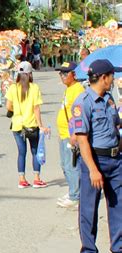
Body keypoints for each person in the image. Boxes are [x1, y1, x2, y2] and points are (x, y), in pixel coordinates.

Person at [71, 59, 121, 253]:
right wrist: (92, 169)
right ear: (103, 77)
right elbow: (81, 140)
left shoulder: (110, 99)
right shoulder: (83, 102)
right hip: (95, 161)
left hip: (116, 160)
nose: (114, 79)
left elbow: (116, 125)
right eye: (112, 75)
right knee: (89, 209)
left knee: (118, 208)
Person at [6, 61, 50, 188]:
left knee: (21, 153)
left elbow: (9, 106)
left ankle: (22, 180)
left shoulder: (13, 88)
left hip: (17, 125)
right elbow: (36, 108)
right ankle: (37, 179)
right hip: (31, 125)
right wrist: (40, 125)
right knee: (35, 151)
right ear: (29, 74)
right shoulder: (34, 88)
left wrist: (16, 111)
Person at [55, 62, 85, 208]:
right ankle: (73, 191)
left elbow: (78, 116)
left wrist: (74, 135)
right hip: (63, 133)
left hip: (70, 135)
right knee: (65, 165)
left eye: (65, 73)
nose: (62, 76)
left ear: (74, 74)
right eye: (61, 73)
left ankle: (75, 196)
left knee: (71, 165)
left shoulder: (77, 90)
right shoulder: (69, 89)